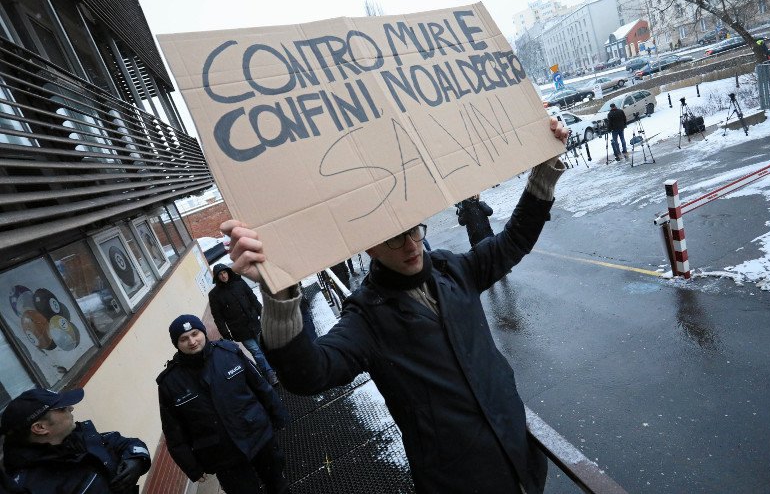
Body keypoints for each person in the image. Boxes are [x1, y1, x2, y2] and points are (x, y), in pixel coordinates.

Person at [222, 118, 569, 494]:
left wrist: (543, 171)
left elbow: (513, 241)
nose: (410, 245)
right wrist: (280, 293)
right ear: (368, 247)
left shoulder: (452, 270)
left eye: (414, 229)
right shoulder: (367, 317)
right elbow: (309, 374)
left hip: (519, 457)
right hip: (458, 480)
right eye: (393, 239)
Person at [157, 314, 290, 494]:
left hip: (258, 436)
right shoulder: (170, 383)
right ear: (177, 344)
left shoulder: (229, 352)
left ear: (203, 332)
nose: (192, 341)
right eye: (184, 339)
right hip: (222, 455)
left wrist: (278, 415)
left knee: (278, 485)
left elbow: (261, 386)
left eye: (195, 333)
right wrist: (191, 467)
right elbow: (173, 432)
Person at [0, 388, 150, 493]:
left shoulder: (79, 437)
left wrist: (136, 459)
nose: (71, 408)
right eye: (62, 408)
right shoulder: (29, 486)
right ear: (40, 427)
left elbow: (126, 443)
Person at [209, 263, 279, 385]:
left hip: (254, 322)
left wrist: (262, 313)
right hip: (239, 329)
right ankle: (269, 373)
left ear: (228, 272)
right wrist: (225, 332)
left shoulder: (240, 283)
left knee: (264, 347)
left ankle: (274, 368)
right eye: (220, 274)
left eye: (224, 272)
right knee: (256, 352)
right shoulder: (214, 295)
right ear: (217, 277)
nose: (223, 276)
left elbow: (253, 299)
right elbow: (218, 317)